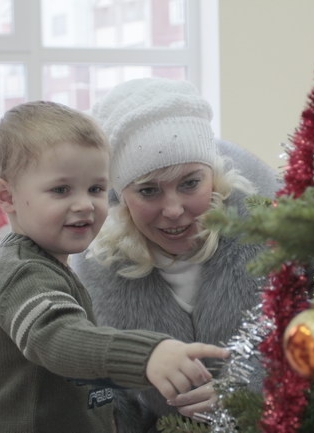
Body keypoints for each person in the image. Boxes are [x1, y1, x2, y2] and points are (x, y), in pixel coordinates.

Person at [0, 100, 229, 433]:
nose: (85, 204)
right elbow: (59, 338)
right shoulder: (23, 274)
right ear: (7, 197)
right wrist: (148, 355)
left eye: (96, 189)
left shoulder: (50, 264)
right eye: (61, 190)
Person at [71, 78, 280, 432]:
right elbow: (102, 387)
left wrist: (252, 391)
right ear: (121, 195)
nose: (173, 210)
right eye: (148, 191)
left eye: (190, 183)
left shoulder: (279, 232)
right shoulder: (95, 266)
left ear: (212, 176)